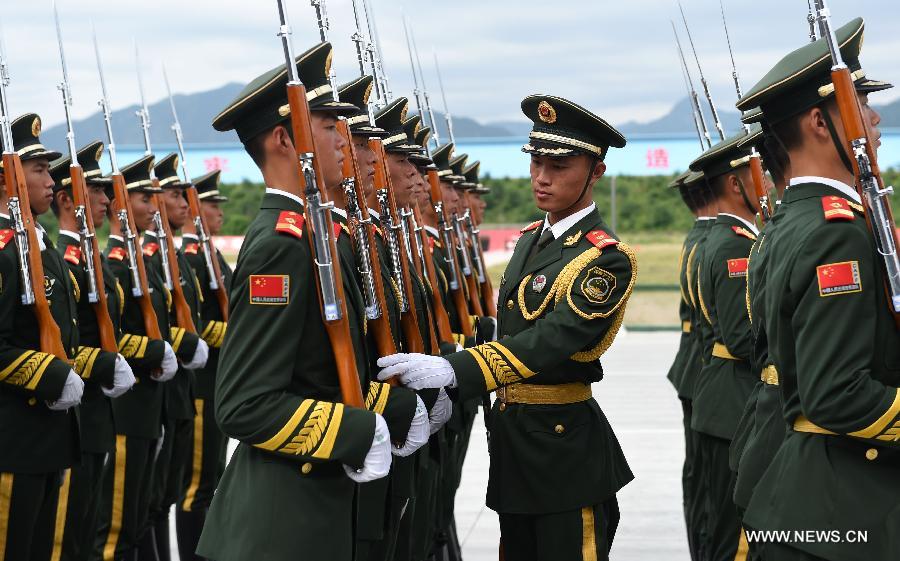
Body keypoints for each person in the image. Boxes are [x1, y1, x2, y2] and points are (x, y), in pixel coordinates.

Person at [378, 95, 637, 561]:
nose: (542, 177)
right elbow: (505, 335)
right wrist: (447, 393)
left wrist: (454, 370)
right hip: (515, 450)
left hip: (564, 456)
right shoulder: (529, 242)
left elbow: (548, 342)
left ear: (595, 171)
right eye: (537, 161)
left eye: (559, 165)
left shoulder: (605, 258)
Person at [196, 42, 409, 561]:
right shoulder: (281, 245)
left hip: (316, 511)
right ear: (282, 141)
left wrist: (396, 405)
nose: (345, 139)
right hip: (281, 525)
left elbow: (321, 374)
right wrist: (356, 430)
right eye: (329, 125)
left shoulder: (318, 238)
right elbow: (244, 404)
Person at [735, 17, 899, 561]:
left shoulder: (792, 221)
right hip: (842, 508)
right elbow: (837, 393)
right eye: (860, 104)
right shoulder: (837, 234)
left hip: (802, 489)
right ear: (821, 123)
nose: (874, 119)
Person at [48, 140, 137, 560]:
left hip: (100, 413)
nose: (107, 199)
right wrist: (105, 363)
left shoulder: (90, 257)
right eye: (97, 191)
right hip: (78, 412)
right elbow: (62, 346)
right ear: (66, 199)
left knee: (87, 533)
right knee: (68, 538)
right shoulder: (63, 261)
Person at [0, 113, 83, 561]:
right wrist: (50, 375)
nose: (51, 181)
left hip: (50, 440)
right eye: (38, 170)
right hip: (13, 443)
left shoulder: (39, 246)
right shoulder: (4, 252)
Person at [94, 154, 178, 561]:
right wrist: (155, 351)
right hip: (128, 409)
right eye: (144, 198)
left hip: (149, 406)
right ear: (119, 204)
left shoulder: (142, 262)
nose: (153, 207)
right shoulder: (114, 262)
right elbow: (112, 338)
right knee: (114, 528)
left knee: (138, 518)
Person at [688, 126, 764, 561]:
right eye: (759, 174)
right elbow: (740, 337)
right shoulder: (734, 249)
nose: (768, 180)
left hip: (722, 398)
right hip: (732, 401)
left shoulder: (725, 239)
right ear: (736, 184)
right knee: (731, 534)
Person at [144, 153, 209, 561]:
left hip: (184, 392)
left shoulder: (179, 257)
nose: (187, 203)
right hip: (156, 397)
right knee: (138, 512)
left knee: (170, 495)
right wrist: (187, 345)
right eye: (173, 195)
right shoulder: (148, 259)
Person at [176, 168, 232, 561]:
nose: (220, 213)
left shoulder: (211, 256)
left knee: (211, 479)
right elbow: (194, 325)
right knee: (195, 486)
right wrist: (238, 337)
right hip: (199, 388)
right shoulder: (193, 259)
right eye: (213, 205)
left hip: (217, 385)